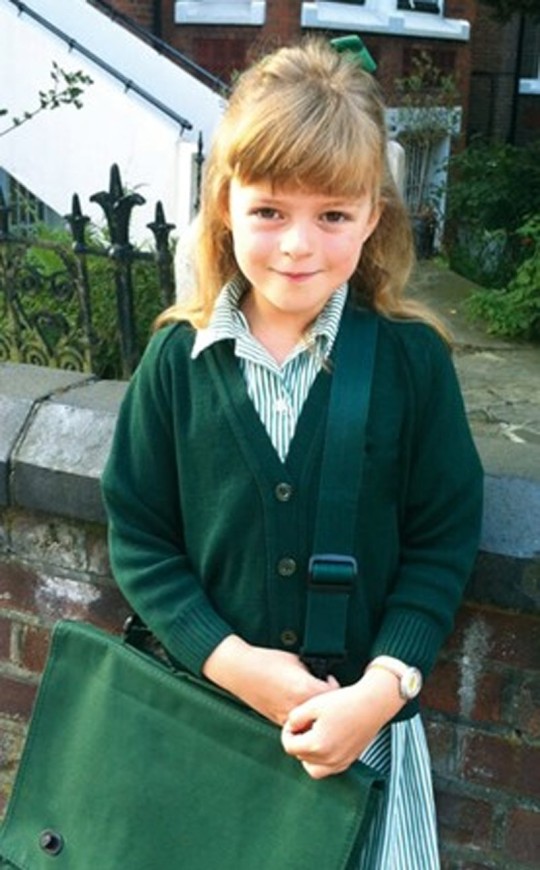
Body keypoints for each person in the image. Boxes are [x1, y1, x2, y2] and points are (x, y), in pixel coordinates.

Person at [101, 37, 483, 869]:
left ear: (373, 216)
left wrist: (381, 694)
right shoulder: (177, 361)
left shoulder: (414, 365)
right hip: (205, 727)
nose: (298, 246)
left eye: (332, 215)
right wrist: (233, 662)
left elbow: (441, 544)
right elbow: (139, 535)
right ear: (224, 206)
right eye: (270, 210)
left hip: (365, 740)